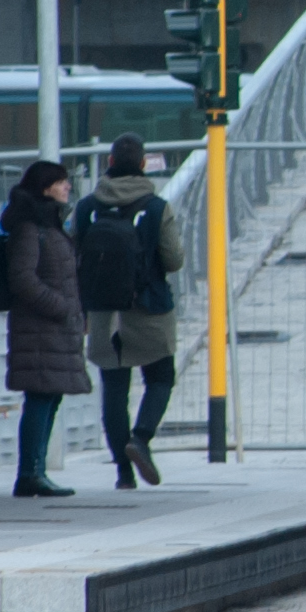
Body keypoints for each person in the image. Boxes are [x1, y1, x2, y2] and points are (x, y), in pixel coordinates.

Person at [73, 136, 190, 488]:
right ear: (142, 165)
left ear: (109, 161)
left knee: (113, 387)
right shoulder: (156, 207)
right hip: (148, 306)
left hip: (103, 311)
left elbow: (76, 252)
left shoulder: (87, 207)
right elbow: (173, 260)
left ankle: (124, 473)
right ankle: (140, 439)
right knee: (160, 378)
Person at [0, 159, 88, 498]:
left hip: (53, 330)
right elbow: (23, 279)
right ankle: (29, 473)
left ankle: (36, 471)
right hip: (40, 329)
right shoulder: (31, 228)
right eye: (62, 182)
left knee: (50, 396)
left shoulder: (48, 225)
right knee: (40, 396)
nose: (67, 188)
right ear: (46, 187)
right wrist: (61, 306)